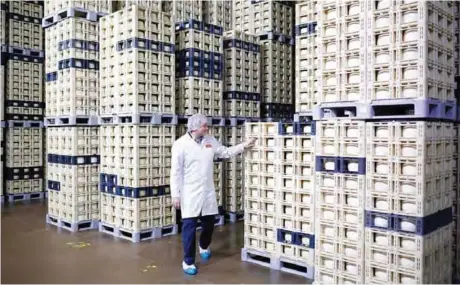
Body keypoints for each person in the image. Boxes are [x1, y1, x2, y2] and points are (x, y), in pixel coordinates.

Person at [170, 113, 257, 275]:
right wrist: (175, 194)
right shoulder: (180, 145)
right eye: (204, 125)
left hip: (207, 191)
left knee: (209, 225)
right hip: (189, 193)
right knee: (189, 228)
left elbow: (224, 152)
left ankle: (204, 245)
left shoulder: (210, 140)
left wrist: (243, 146)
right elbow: (175, 171)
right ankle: (188, 261)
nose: (207, 128)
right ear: (195, 127)